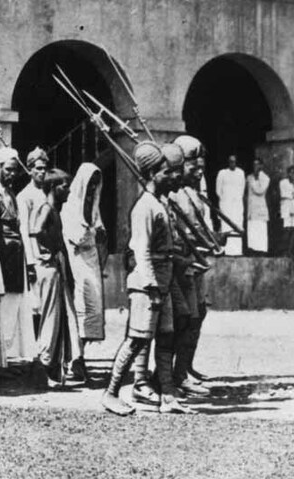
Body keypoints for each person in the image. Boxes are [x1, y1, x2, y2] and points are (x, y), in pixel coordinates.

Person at [102, 141, 192, 416]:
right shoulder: (144, 207)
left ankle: (168, 396)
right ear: (153, 174)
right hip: (146, 284)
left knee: (167, 336)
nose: (171, 176)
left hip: (163, 279)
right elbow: (141, 250)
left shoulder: (159, 203)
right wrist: (152, 285)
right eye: (166, 172)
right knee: (137, 340)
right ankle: (111, 393)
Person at [0, 148, 36, 372]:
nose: (12, 174)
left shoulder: (11, 194)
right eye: (8, 170)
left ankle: (6, 359)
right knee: (0, 311)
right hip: (2, 259)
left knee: (13, 311)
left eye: (14, 171)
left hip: (16, 258)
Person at [171, 135, 223, 387]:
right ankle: (177, 373)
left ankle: (186, 366)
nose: (200, 172)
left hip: (197, 261)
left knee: (199, 313)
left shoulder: (193, 192)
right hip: (183, 263)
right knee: (187, 318)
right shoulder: (174, 194)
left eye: (202, 168)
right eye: (194, 168)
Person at [31, 168, 82, 386]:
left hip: (56, 267)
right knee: (50, 318)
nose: (68, 191)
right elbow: (37, 230)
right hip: (49, 267)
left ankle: (52, 367)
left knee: (59, 318)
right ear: (53, 187)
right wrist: (51, 250)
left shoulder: (54, 210)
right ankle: (43, 367)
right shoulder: (46, 208)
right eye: (64, 186)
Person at [61, 163, 106, 360]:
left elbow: (99, 232)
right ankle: (75, 357)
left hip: (92, 261)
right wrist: (93, 233)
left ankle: (80, 353)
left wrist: (96, 234)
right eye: (90, 184)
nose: (92, 188)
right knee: (79, 307)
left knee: (94, 308)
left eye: (96, 184)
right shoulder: (70, 205)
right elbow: (76, 237)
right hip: (76, 260)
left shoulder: (93, 206)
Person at [17, 147, 48, 327]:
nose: (42, 172)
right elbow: (24, 229)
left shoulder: (45, 193)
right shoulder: (24, 196)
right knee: (36, 301)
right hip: (34, 251)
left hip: (47, 250)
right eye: (38, 168)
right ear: (30, 170)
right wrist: (30, 262)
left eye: (44, 168)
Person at [216, 155, 246, 255]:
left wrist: (236, 199)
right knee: (226, 226)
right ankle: (227, 250)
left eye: (234, 162)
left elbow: (242, 188)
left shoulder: (240, 173)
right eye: (231, 162)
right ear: (228, 162)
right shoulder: (222, 173)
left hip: (237, 205)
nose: (232, 164)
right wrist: (225, 200)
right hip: (226, 205)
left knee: (237, 225)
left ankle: (237, 251)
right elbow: (218, 190)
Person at [246, 158, 270, 255]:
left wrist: (255, 180)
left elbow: (259, 191)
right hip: (251, 207)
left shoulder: (265, 178)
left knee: (260, 229)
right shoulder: (249, 177)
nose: (255, 167)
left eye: (257, 164)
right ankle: (252, 249)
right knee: (252, 228)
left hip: (260, 207)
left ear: (261, 166)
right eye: (254, 165)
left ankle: (261, 250)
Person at [279, 165, 294, 259]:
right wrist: (292, 194)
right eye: (290, 173)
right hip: (286, 207)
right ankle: (284, 251)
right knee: (287, 230)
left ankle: (290, 251)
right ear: (288, 173)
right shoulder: (283, 183)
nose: (292, 175)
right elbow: (284, 194)